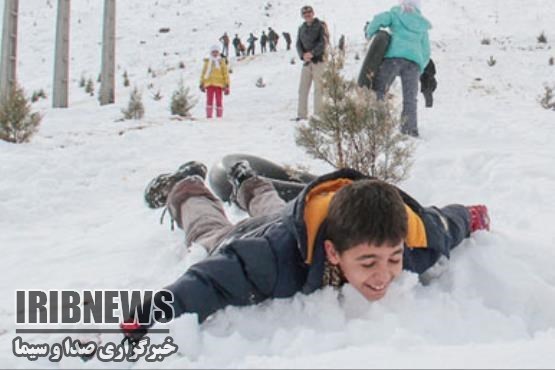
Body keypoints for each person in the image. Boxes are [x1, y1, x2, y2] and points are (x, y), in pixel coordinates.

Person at [122, 158, 490, 341]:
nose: (385, 274)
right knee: (209, 230)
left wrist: (471, 217)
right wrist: (153, 311)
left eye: (393, 258)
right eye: (368, 262)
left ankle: (246, 179)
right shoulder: (270, 259)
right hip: (257, 236)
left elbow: (444, 224)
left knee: (275, 208)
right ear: (332, 253)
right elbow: (211, 281)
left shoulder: (409, 239)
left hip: (295, 219)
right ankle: (185, 185)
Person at [365, 0, 431, 137]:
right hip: (414, 63)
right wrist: (421, 67)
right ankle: (409, 129)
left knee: (380, 91)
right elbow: (426, 50)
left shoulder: (395, 13)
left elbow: (378, 19)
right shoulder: (421, 24)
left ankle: (379, 126)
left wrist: (369, 33)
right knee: (410, 98)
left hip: (393, 58)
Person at [295, 5, 327, 121]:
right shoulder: (301, 28)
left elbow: (323, 42)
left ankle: (319, 114)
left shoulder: (320, 25)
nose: (307, 15)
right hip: (307, 62)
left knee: (319, 89)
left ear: (313, 13)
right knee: (303, 89)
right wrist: (302, 55)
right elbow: (298, 44)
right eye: (305, 13)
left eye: (309, 12)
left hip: (318, 60)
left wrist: (312, 53)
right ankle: (301, 114)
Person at [199, 45, 230, 119]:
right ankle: (209, 115)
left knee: (219, 100)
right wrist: (201, 83)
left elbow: (225, 73)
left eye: (216, 52)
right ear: (211, 53)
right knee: (209, 99)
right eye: (213, 52)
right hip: (209, 84)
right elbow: (203, 73)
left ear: (219, 53)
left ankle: (219, 116)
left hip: (219, 84)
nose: (215, 54)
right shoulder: (207, 62)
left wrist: (227, 84)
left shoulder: (221, 62)